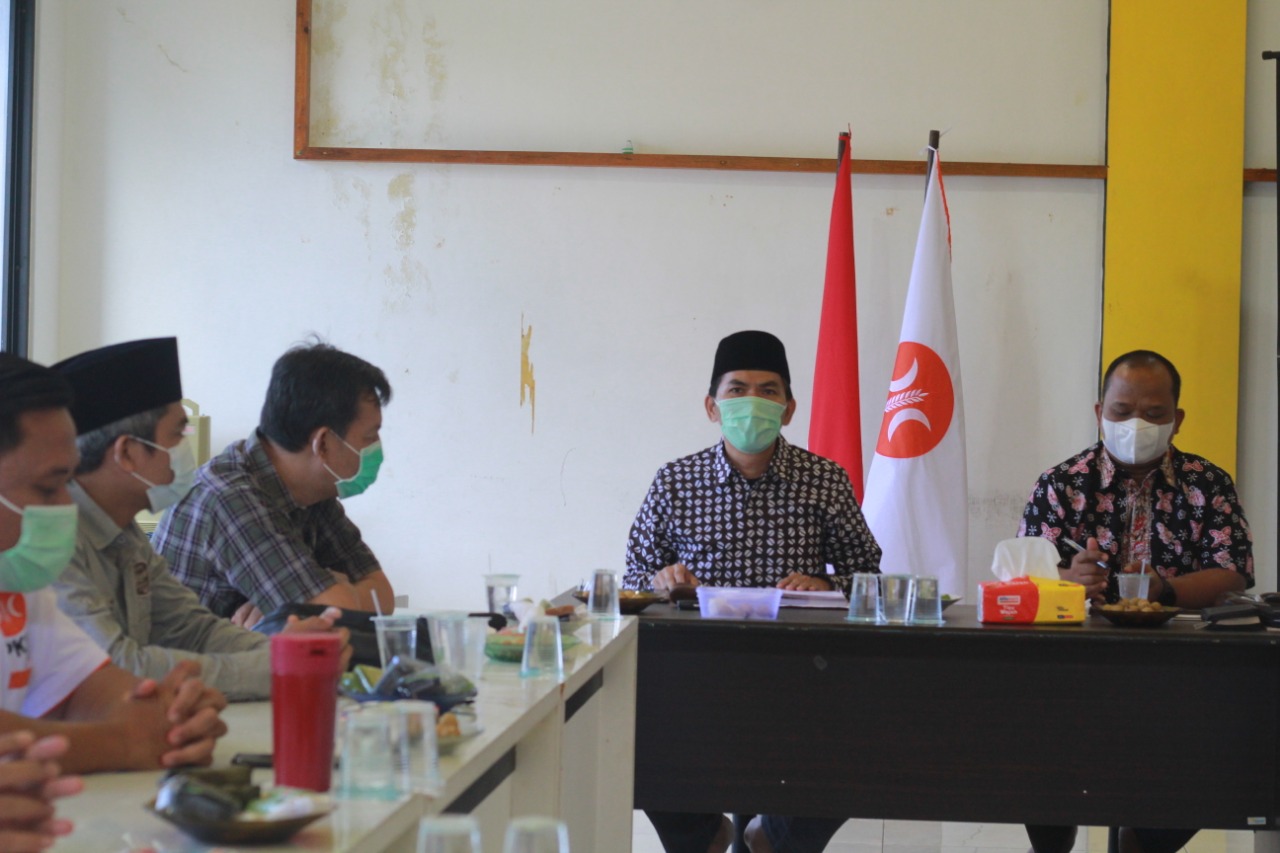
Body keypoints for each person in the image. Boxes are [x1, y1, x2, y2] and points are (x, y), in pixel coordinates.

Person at [625, 330, 881, 853]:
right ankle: (703, 835)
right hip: (695, 671)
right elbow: (633, 578)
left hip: (801, 673)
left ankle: (776, 838)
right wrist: (662, 580)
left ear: (788, 409)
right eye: (737, 389)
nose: (752, 402)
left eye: (768, 391)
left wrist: (825, 583)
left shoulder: (824, 480)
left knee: (868, 741)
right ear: (712, 406)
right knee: (631, 733)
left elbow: (870, 578)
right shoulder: (675, 482)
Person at [1018, 348, 1253, 853]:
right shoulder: (1061, 484)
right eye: (1122, 412)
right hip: (1073, 670)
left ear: (1177, 419)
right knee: (1037, 751)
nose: (1135, 424)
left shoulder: (1208, 484)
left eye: (1153, 413)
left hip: (1183, 673)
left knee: (1227, 754)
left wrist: (1165, 589)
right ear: (1099, 412)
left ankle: (1144, 842)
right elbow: (1022, 574)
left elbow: (1233, 571)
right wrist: (1068, 579)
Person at [51, 338, 352, 701]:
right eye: (178, 434)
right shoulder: (49, 540)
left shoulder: (125, 531)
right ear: (127, 453)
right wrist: (279, 666)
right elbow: (117, 668)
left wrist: (286, 651)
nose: (185, 451)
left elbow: (193, 630)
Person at [0, 352, 226, 779]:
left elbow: (95, 691)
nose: (66, 507)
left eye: (67, 484)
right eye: (48, 488)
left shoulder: (20, 587)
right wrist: (127, 742)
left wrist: (173, 716)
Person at [154, 342, 395, 629]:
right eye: (370, 437)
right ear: (323, 443)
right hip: (188, 657)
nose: (377, 447)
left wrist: (320, 595)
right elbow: (334, 611)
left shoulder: (312, 492)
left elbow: (383, 598)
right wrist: (332, 591)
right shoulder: (230, 499)